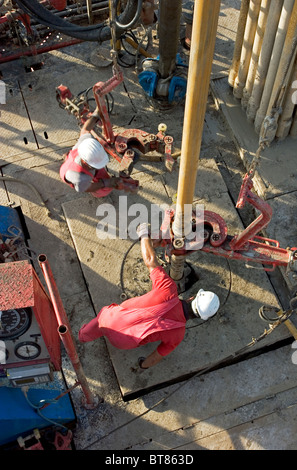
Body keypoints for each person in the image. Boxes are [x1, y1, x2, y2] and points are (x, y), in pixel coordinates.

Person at [78, 223, 220, 369]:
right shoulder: (178, 335)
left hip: (110, 319)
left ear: (193, 297)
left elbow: (150, 261)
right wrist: (143, 365)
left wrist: (144, 233)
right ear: (199, 317)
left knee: (101, 318)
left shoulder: (168, 290)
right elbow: (156, 356)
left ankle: (83, 336)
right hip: (124, 343)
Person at [60, 108, 138, 197]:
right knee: (105, 190)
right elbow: (86, 188)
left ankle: (66, 158)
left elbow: (85, 129)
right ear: (87, 163)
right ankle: (97, 194)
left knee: (97, 169)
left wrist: (96, 115)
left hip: (72, 159)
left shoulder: (85, 143)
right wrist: (106, 183)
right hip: (72, 174)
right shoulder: (81, 178)